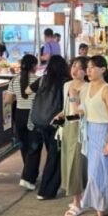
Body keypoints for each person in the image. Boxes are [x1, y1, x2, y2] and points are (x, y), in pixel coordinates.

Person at [23, 55, 70, 201]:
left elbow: (27, 91)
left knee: (52, 155)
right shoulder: (66, 82)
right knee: (55, 158)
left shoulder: (43, 79)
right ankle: (46, 190)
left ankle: (47, 187)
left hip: (41, 123)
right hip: (57, 123)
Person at [80, 55, 108, 216]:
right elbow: (82, 110)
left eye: (93, 67)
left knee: (96, 176)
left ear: (103, 69)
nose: (89, 70)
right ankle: (101, 212)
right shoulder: (87, 88)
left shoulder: (106, 89)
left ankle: (101, 214)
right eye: (88, 67)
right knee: (98, 174)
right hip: (90, 133)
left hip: (104, 134)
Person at [57, 56, 88, 216]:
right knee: (67, 162)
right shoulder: (66, 85)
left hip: (80, 129)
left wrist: (73, 96)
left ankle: (78, 203)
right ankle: (78, 198)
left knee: (76, 164)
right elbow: (66, 109)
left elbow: (80, 114)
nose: (75, 70)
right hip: (67, 128)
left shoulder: (87, 88)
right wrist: (59, 118)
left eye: (80, 67)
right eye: (73, 66)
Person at [5, 53, 38, 186]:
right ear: (34, 66)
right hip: (33, 115)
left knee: (24, 145)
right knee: (34, 146)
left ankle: (27, 172)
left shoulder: (14, 80)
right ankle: (29, 176)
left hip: (19, 115)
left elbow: (7, 100)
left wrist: (17, 98)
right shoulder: (37, 80)